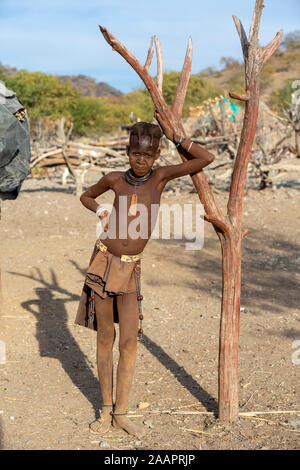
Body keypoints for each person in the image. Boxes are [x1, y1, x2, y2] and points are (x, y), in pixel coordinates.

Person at [75, 119, 215, 438]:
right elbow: (86, 196)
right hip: (103, 262)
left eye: (148, 155)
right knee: (105, 339)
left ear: (156, 155)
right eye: (136, 153)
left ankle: (122, 412)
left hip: (130, 268)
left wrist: (177, 136)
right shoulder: (113, 179)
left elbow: (205, 158)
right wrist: (99, 210)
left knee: (128, 342)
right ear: (128, 152)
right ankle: (105, 410)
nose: (141, 160)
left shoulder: (161, 177)